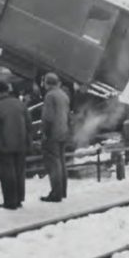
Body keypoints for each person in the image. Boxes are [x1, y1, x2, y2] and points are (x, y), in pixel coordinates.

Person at [0, 80, 29, 210]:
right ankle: (19, 198)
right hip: (21, 144)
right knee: (19, 172)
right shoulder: (20, 104)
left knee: (7, 173)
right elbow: (29, 123)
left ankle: (10, 201)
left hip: (3, 144)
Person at [40, 72, 71, 202]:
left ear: (47, 83)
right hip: (63, 132)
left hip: (53, 133)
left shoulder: (50, 96)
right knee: (62, 162)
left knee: (54, 163)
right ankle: (63, 191)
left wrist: (45, 133)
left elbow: (48, 117)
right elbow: (68, 116)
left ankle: (55, 194)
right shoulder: (64, 95)